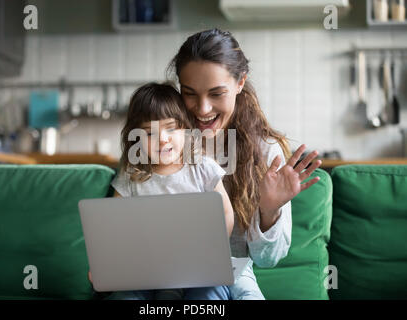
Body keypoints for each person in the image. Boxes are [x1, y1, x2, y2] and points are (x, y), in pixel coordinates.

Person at [164, 28, 323, 299]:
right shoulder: (162, 143)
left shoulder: (264, 150)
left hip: (228, 278)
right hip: (165, 275)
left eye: (216, 94)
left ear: (240, 83)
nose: (202, 109)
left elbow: (267, 260)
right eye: (190, 93)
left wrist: (269, 211)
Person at [102, 82, 264, 300]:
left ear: (186, 129)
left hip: (200, 266)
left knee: (209, 295)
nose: (163, 139)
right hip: (150, 270)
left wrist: (213, 249)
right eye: (150, 133)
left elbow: (225, 212)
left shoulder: (202, 167)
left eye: (171, 128)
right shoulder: (132, 176)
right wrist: (109, 264)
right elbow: (114, 223)